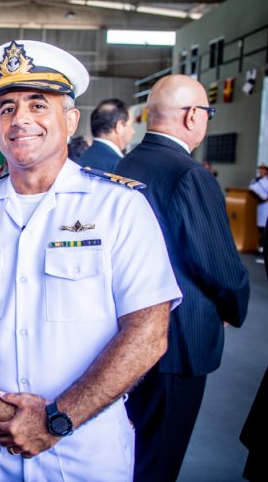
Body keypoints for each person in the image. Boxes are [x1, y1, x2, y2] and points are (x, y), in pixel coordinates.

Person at [0, 40, 182, 481]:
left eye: (38, 104)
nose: (20, 119)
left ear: (70, 120)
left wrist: (55, 420)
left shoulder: (118, 208)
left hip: (86, 448)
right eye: (6, 107)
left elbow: (148, 331)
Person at [116, 74, 250, 482]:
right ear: (193, 116)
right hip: (178, 341)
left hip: (124, 332)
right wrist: (231, 307)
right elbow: (221, 267)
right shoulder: (189, 174)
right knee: (161, 456)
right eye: (207, 112)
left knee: (132, 448)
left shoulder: (127, 164)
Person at [77, 98, 134, 171]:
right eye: (131, 125)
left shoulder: (81, 160)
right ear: (119, 126)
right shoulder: (120, 166)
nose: (133, 131)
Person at [249, 163, 268, 262]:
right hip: (256, 207)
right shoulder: (255, 181)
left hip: (265, 207)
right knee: (259, 229)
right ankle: (259, 249)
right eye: (260, 170)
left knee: (264, 230)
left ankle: (263, 251)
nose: (260, 171)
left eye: (263, 170)